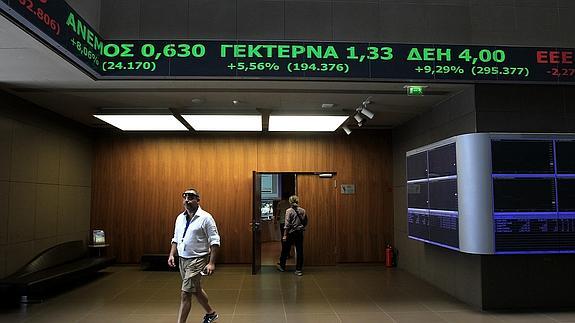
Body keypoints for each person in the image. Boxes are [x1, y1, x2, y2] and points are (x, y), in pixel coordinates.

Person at [168, 188, 221, 323]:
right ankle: (211, 313)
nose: (187, 200)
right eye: (185, 197)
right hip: (183, 259)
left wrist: (211, 262)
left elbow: (215, 241)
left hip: (197, 259)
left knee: (185, 293)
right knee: (195, 289)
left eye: (191, 197)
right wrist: (172, 254)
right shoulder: (180, 218)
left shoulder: (206, 218)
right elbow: (175, 238)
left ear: (198, 200)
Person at [277, 195, 308, 276]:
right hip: (299, 232)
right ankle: (298, 270)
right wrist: (301, 227)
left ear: (290, 202)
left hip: (291, 232)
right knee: (299, 251)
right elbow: (305, 221)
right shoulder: (303, 210)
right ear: (297, 201)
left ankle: (282, 266)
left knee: (285, 249)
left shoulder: (289, 211)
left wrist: (284, 235)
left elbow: (287, 224)